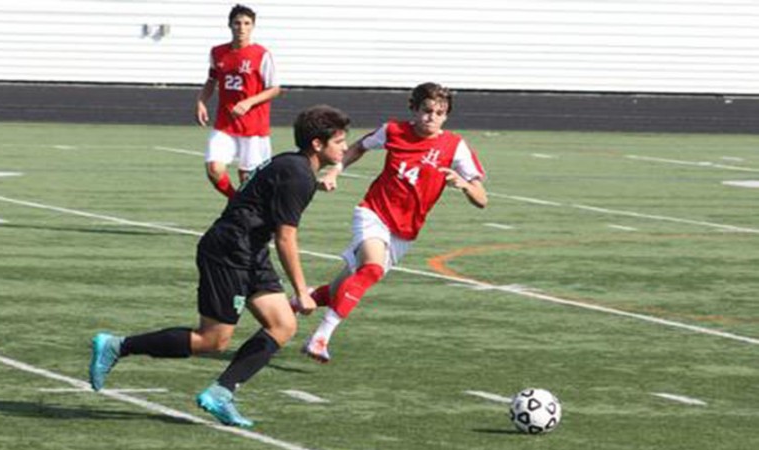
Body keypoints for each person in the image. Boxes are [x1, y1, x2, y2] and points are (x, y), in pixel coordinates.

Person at [90, 105, 351, 428]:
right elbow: (286, 238)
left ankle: (221, 393)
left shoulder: (294, 166)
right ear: (317, 144)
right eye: (339, 141)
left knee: (283, 323)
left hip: (250, 250)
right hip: (229, 250)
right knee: (213, 340)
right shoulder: (298, 175)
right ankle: (118, 346)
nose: (343, 147)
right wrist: (301, 290)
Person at [300, 82, 488, 363]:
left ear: (446, 115)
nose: (432, 117)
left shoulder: (455, 146)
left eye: (440, 112)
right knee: (372, 269)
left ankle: (298, 301)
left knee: (343, 287)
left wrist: (464, 184)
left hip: (405, 232)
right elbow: (357, 148)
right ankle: (320, 337)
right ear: (414, 108)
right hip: (374, 213)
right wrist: (335, 171)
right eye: (426, 110)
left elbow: (482, 199)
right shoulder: (393, 131)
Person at [195, 4, 281, 199]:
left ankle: (255, 217)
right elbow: (211, 80)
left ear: (253, 27)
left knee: (248, 178)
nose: (241, 27)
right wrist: (201, 101)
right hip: (224, 124)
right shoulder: (218, 52)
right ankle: (236, 202)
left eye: (246, 23)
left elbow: (275, 88)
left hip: (253, 127)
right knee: (214, 169)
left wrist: (249, 102)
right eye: (237, 23)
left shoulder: (261, 55)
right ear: (229, 25)